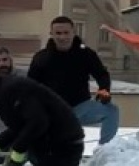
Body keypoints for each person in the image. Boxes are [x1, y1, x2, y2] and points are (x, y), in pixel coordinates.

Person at [28, 16, 119, 148]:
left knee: (111, 111)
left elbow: (102, 74)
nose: (62, 37)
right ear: (51, 34)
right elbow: (31, 85)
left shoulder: (86, 54)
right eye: (58, 33)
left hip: (80, 107)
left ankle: (104, 151)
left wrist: (104, 91)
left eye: (66, 33)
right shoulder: (41, 57)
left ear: (73, 32)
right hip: (53, 112)